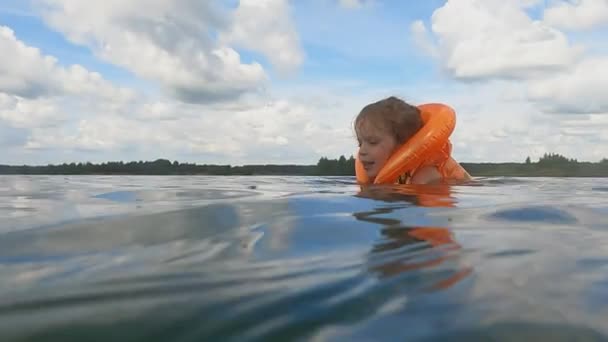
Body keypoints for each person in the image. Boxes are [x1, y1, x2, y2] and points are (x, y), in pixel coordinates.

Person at [354, 96, 471, 185]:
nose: (362, 151)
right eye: (360, 143)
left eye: (373, 142)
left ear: (402, 145)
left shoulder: (424, 176)